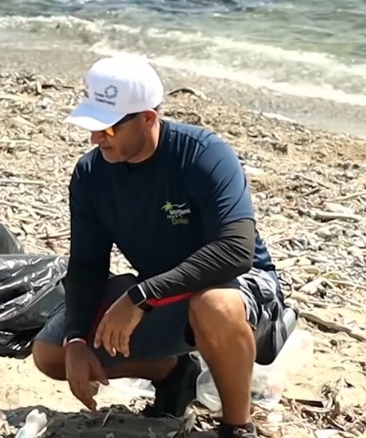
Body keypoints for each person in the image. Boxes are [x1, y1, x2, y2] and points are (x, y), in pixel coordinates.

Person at [31, 55, 289, 438]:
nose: (95, 138)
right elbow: (87, 263)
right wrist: (78, 338)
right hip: (159, 294)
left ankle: (237, 425)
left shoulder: (202, 154)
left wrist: (141, 295)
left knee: (212, 305)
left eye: (108, 128)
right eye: (92, 126)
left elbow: (236, 250)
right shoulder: (91, 174)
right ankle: (173, 372)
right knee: (52, 354)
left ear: (148, 118)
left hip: (236, 287)